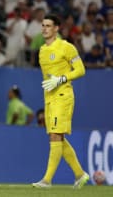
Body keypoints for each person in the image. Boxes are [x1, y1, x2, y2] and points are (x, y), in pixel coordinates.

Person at [32, 14, 89, 189]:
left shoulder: (66, 47)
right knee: (56, 137)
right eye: (43, 25)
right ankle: (80, 174)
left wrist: (61, 79)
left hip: (63, 95)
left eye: (48, 25)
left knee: (56, 136)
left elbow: (80, 70)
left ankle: (47, 180)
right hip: (49, 97)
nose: (44, 28)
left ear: (57, 28)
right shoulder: (42, 50)